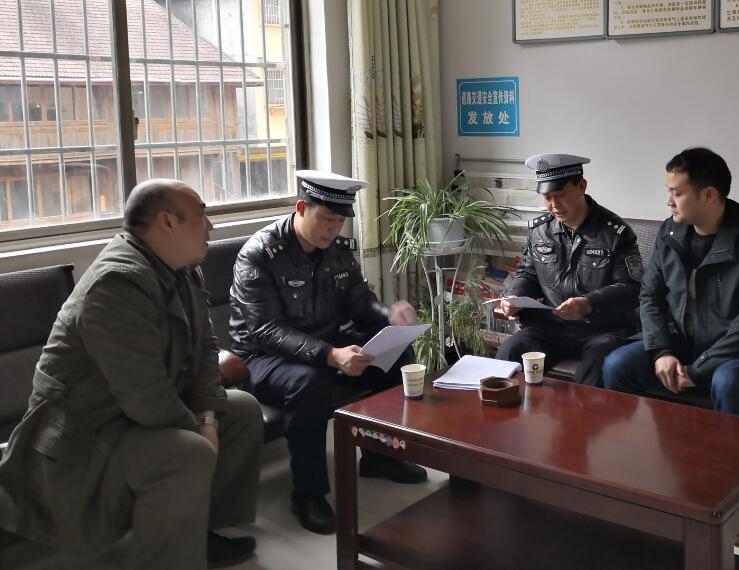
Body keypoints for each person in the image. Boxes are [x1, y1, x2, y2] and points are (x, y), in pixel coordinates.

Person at [0, 179, 263, 570]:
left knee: (240, 410)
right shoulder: (116, 284)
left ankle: (198, 532)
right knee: (188, 452)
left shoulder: (182, 270)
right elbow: (146, 398)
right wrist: (200, 431)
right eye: (201, 215)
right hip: (88, 429)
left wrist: (208, 415)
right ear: (167, 222)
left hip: (133, 413)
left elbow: (206, 349)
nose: (210, 226)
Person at [229, 170, 427, 536]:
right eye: (326, 219)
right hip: (264, 358)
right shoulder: (260, 254)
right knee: (309, 382)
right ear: (301, 208)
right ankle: (308, 494)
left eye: (339, 221)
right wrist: (331, 355)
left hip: (326, 345)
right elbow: (266, 330)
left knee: (396, 352)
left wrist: (389, 316)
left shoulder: (337, 251)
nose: (333, 229)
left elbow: (360, 303)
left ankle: (381, 457)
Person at [601, 147, 739, 546]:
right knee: (616, 365)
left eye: (676, 192)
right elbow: (650, 298)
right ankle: (638, 475)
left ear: (708, 195)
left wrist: (697, 369)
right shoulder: (670, 234)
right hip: (679, 345)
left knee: (729, 382)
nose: (668, 201)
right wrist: (661, 351)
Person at [494, 153, 642, 387]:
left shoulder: (615, 233)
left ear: (581, 186)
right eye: (547, 198)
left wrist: (588, 304)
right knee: (509, 353)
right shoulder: (540, 230)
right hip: (550, 327)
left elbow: (631, 289)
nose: (554, 206)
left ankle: (581, 413)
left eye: (560, 196)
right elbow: (527, 273)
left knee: (595, 371)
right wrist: (515, 296)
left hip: (601, 330)